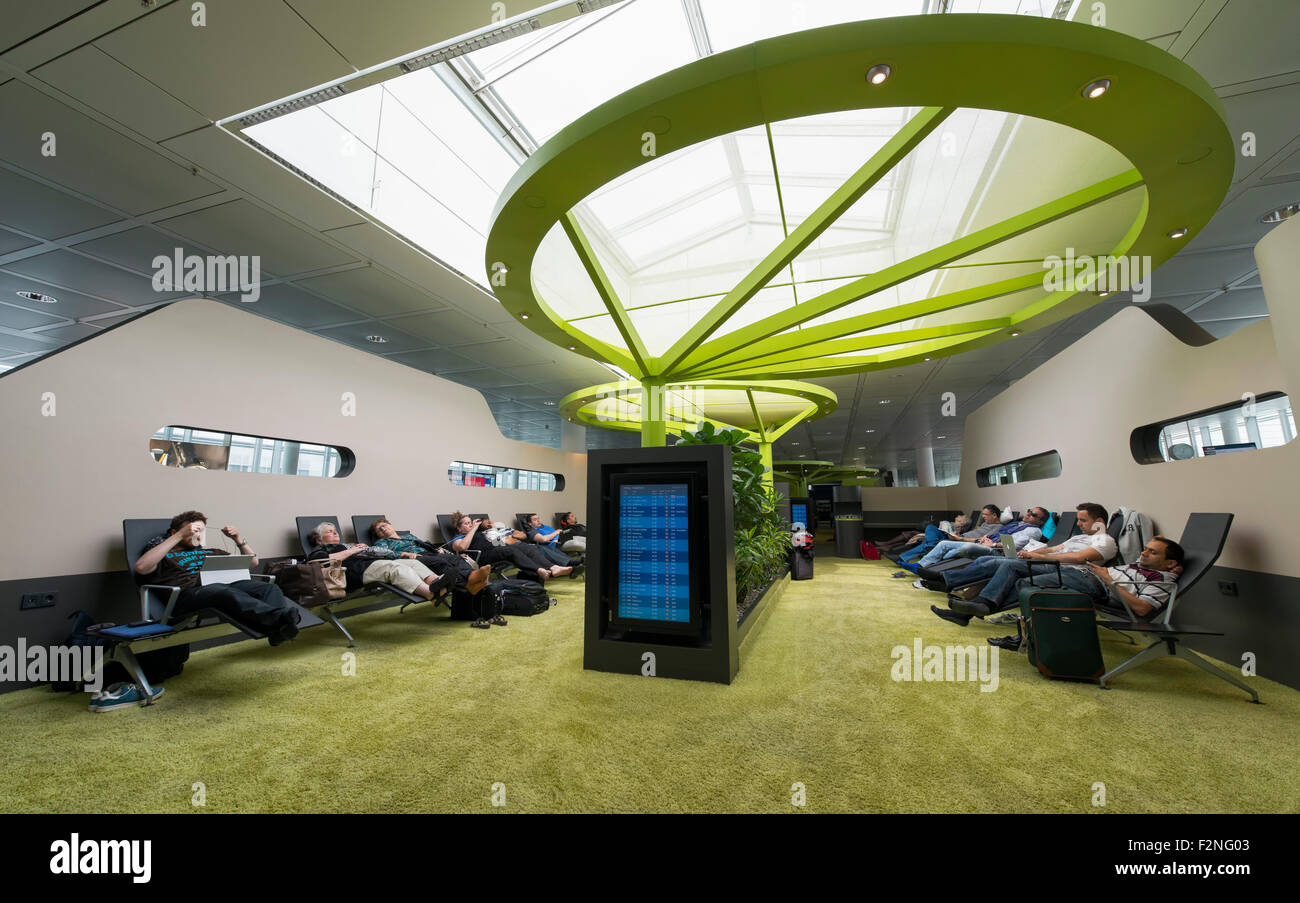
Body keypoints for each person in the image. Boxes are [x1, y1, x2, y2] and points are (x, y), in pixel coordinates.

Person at [980, 536, 1184, 651]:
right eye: (1146, 549)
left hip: (1096, 585)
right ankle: (986, 605)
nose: (1144, 553)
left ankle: (1021, 637)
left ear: (1170, 563)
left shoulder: (1162, 580)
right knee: (1017, 568)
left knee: (1028, 584)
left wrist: (1108, 579)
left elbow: (1142, 609)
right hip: (1084, 575)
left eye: (1152, 552)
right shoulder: (1140, 566)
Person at [135, 510, 300, 646]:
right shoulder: (165, 553)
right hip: (187, 595)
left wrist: (237, 539)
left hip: (221, 587)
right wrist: (178, 536)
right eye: (192, 531)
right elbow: (141, 567)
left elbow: (253, 562)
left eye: (200, 531)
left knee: (269, 588)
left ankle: (278, 629)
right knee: (222, 591)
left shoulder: (211, 551)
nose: (197, 535)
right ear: (174, 532)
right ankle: (281, 620)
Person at [305, 522, 454, 602]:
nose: (335, 532)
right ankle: (430, 594)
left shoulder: (345, 545)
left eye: (335, 530)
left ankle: (437, 583)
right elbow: (317, 562)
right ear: (319, 539)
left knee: (412, 564)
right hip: (354, 571)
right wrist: (352, 551)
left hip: (370, 564)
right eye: (329, 531)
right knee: (393, 568)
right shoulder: (320, 549)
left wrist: (365, 549)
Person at [900, 506, 1049, 573]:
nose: (1029, 514)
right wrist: (984, 538)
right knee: (944, 543)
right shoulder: (1016, 523)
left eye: (1034, 515)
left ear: (1041, 522)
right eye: (1029, 511)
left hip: (997, 550)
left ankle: (938, 561)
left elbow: (1015, 545)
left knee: (964, 548)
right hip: (985, 543)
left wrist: (993, 543)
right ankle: (919, 565)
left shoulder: (1033, 531)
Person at [367, 518, 491, 595]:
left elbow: (424, 544)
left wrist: (437, 549)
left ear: (391, 525)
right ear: (378, 535)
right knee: (440, 563)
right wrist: (404, 554)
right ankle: (471, 580)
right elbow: (383, 553)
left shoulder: (409, 536)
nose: (383, 528)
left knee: (456, 559)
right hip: (415, 558)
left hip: (429, 553)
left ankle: (472, 579)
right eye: (379, 529)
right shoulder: (382, 543)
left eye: (385, 525)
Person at [450, 512, 572, 582]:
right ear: (459, 528)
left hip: (496, 549)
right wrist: (475, 528)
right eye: (466, 524)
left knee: (527, 548)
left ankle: (553, 567)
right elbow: (462, 547)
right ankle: (538, 570)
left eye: (470, 523)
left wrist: (493, 531)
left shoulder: (479, 533)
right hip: (482, 558)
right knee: (510, 550)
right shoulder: (457, 539)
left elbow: (498, 542)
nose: (470, 525)